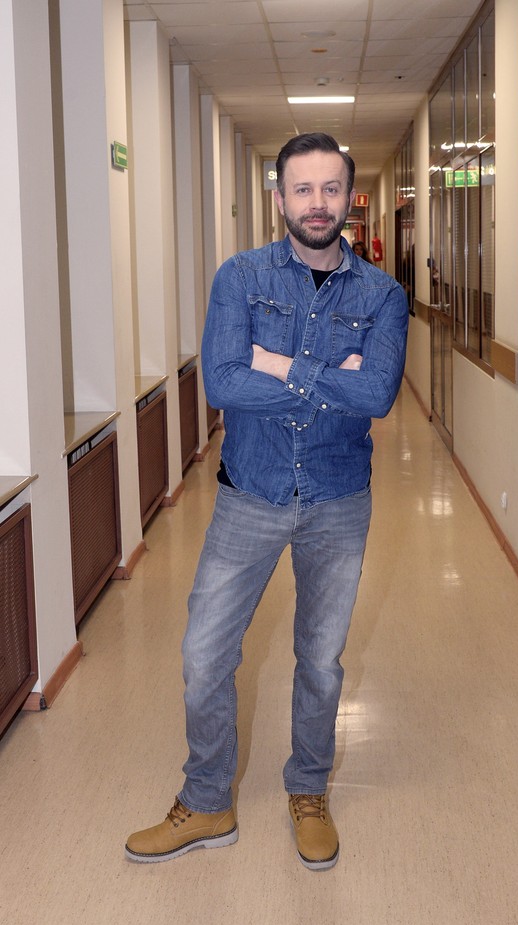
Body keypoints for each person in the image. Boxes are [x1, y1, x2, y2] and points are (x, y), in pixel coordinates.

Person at [125, 132, 408, 871]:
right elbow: (223, 382)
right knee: (204, 653)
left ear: (348, 197)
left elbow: (378, 394)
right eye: (302, 189)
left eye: (331, 189)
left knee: (321, 660)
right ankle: (207, 799)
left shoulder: (383, 295)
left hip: (338, 500)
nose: (317, 203)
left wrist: (277, 363)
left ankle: (308, 790)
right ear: (279, 198)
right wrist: (332, 377)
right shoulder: (240, 278)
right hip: (249, 493)